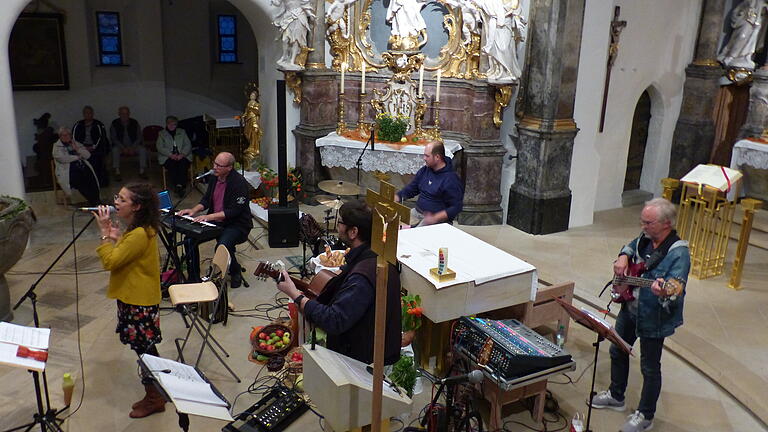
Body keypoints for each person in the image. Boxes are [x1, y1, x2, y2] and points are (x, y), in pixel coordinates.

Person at [589, 198, 690, 432]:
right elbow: (631, 245)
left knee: (650, 367)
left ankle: (645, 415)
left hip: (654, 317)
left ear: (666, 224)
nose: (642, 226)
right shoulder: (646, 239)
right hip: (630, 308)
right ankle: (616, 395)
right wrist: (623, 256)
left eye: (648, 222)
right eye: (642, 221)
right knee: (617, 350)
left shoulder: (678, 253)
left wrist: (664, 290)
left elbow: (676, 288)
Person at [275, 200, 402, 365]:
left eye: (340, 223)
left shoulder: (362, 276)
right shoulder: (377, 256)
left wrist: (295, 295)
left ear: (353, 232)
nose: (338, 227)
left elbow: (335, 320)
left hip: (361, 359)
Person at [94, 183, 164, 419]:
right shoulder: (139, 229)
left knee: (145, 351)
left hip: (138, 301)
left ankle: (155, 397)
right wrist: (118, 237)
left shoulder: (139, 233)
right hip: (137, 297)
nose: (116, 203)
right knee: (145, 350)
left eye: (122, 200)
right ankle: (155, 393)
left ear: (137, 206)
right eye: (117, 197)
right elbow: (129, 252)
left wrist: (104, 234)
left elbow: (111, 262)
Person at [178, 152, 253, 287]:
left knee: (222, 246)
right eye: (215, 163)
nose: (215, 167)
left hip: (236, 224)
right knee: (189, 240)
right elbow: (207, 200)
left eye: (219, 165)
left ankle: (235, 271)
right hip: (217, 221)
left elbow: (234, 211)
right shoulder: (214, 178)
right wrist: (194, 210)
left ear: (229, 167)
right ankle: (194, 278)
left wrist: (208, 217)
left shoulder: (239, 183)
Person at [396, 142, 464, 226]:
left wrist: (436, 217)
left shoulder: (451, 179)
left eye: (427, 156)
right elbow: (412, 188)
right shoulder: (425, 170)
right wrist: (398, 196)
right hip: (417, 212)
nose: (424, 158)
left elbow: (456, 207)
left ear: (437, 157)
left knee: (413, 234)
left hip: (436, 220)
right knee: (394, 225)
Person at [52, 126, 101, 206]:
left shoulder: (75, 143)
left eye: (68, 135)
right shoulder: (56, 146)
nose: (67, 137)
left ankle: (97, 200)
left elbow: (88, 155)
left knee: (91, 177)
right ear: (60, 136)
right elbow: (62, 158)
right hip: (68, 171)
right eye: (64, 135)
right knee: (80, 180)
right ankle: (94, 202)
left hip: (82, 167)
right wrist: (77, 157)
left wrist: (77, 149)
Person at [72, 105, 110, 186]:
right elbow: (74, 138)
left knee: (96, 159)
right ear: (83, 114)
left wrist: (93, 147)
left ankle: (98, 182)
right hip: (81, 147)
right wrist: (82, 148)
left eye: (89, 113)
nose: (88, 114)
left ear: (92, 114)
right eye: (86, 113)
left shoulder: (98, 125)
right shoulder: (78, 125)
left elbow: (101, 138)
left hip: (95, 148)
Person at [272, 0, 315, 70]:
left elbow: (304, 5)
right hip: (288, 17)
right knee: (285, 39)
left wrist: (310, 14)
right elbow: (277, 3)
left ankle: (292, 60)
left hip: (298, 17)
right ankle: (284, 56)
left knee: (296, 40)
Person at [156, 115, 192, 197]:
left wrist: (182, 154)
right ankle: (178, 185)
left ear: (176, 124)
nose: (171, 126)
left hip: (182, 155)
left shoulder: (182, 132)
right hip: (168, 156)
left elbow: (188, 145)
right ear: (166, 124)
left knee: (183, 164)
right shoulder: (161, 134)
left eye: (174, 124)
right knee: (172, 165)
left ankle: (180, 185)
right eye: (169, 124)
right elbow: (160, 147)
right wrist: (170, 155)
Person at [110, 106, 147, 181]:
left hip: (133, 145)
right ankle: (117, 172)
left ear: (129, 114)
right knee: (115, 150)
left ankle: (142, 171)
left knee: (142, 150)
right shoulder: (114, 123)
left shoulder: (135, 122)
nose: (124, 115)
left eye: (126, 113)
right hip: (120, 146)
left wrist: (133, 147)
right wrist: (123, 148)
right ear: (119, 114)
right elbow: (113, 138)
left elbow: (139, 137)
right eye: (122, 113)